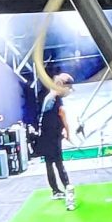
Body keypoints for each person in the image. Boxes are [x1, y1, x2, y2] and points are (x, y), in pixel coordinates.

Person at [33, 73, 74, 208]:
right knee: (58, 163)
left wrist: (64, 130)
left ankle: (56, 190)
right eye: (68, 87)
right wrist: (68, 131)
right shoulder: (54, 97)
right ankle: (67, 188)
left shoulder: (51, 95)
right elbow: (62, 114)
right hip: (52, 136)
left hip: (47, 135)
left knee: (50, 163)